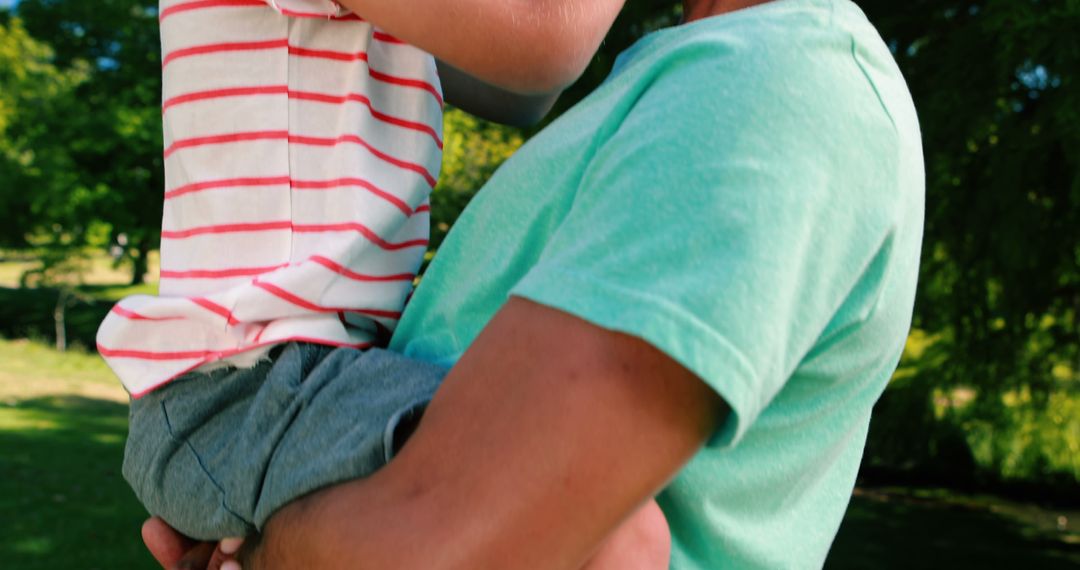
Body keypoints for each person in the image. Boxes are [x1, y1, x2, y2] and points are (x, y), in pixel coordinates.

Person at [144, 0, 925, 567]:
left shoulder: (775, 83)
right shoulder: (687, 81)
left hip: (268, 379)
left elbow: (444, 547)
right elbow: (539, 52)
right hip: (254, 371)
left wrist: (266, 545)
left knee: (624, 546)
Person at [105, 0, 646, 564]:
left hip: (308, 376)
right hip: (248, 382)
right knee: (611, 523)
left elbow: (521, 91)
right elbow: (544, 44)